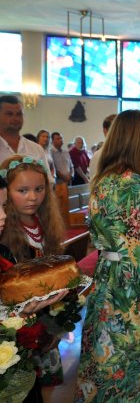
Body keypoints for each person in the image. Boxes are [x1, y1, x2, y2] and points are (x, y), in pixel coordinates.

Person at [75, 110, 140, 402]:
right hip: (130, 294)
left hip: (108, 282)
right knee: (131, 374)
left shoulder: (106, 179)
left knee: (105, 366)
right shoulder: (132, 184)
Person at [0, 154, 67, 398]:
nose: (33, 197)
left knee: (45, 383)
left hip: (46, 315)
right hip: (19, 325)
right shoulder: (4, 230)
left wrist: (56, 325)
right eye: (23, 190)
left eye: (39, 189)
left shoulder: (44, 222)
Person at [0, 95, 52, 183]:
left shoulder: (36, 148)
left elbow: (47, 180)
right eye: (9, 114)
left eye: (19, 114)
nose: (15, 118)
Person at [88, 114, 115, 183]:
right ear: (105, 131)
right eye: (114, 130)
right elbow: (94, 183)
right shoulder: (99, 155)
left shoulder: (127, 153)